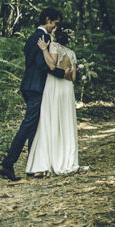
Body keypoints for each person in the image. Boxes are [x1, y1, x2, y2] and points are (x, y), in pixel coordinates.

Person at [0, 7, 66, 181]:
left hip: (29, 84)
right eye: (55, 23)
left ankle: (33, 165)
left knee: (34, 125)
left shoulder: (31, 37)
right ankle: (7, 163)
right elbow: (42, 64)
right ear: (48, 19)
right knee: (28, 125)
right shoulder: (43, 37)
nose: (55, 28)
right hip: (36, 86)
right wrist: (62, 73)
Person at [26, 25, 79, 176]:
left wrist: (44, 49)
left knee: (48, 121)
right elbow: (73, 78)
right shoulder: (72, 53)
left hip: (55, 86)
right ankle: (66, 160)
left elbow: (51, 64)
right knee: (65, 123)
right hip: (67, 89)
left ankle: (43, 165)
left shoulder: (54, 46)